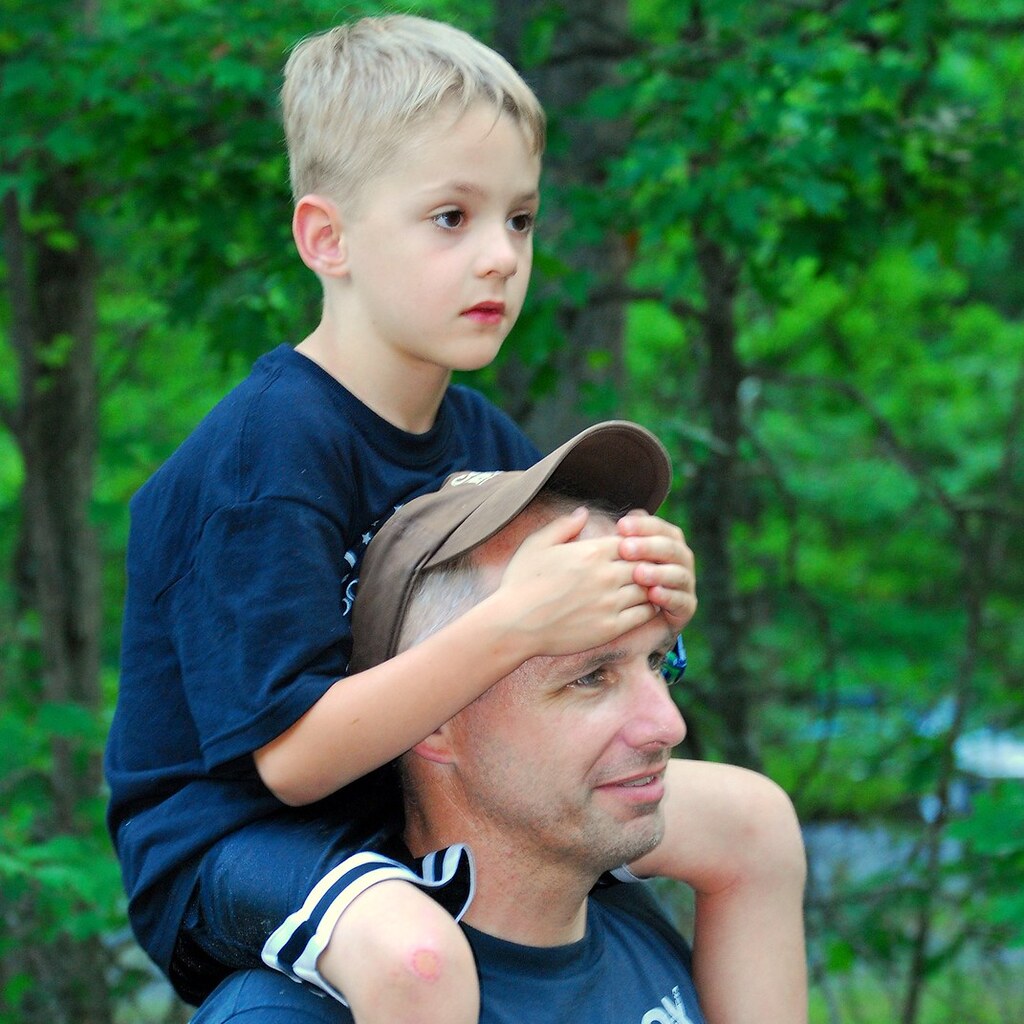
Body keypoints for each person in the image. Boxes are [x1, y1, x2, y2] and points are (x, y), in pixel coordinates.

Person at [105, 14, 805, 1024]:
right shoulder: (267, 455)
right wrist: (515, 622)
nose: (499, 258)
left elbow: (557, 654)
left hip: (405, 800)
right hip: (234, 838)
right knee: (421, 961)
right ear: (328, 238)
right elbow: (291, 763)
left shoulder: (477, 432)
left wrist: (650, 599)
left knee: (754, 822)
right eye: (450, 217)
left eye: (519, 219)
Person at [189, 421, 803, 1023]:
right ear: (432, 722)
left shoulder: (640, 933)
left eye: (657, 661)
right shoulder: (284, 1014)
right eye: (590, 677)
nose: (667, 725)